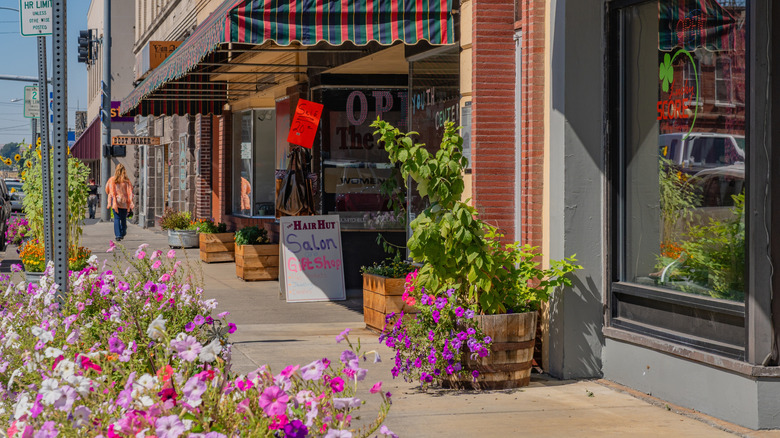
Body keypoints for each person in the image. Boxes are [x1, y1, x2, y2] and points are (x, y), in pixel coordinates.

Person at [105, 164, 134, 241]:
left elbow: (107, 189)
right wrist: (130, 203)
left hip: (116, 201)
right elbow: (130, 191)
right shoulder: (126, 181)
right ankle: (123, 232)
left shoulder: (112, 180)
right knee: (123, 218)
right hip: (124, 202)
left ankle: (118, 235)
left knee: (116, 218)